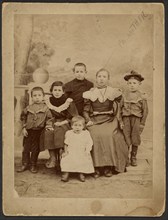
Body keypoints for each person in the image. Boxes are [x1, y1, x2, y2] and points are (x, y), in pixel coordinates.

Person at [83, 68, 128, 178]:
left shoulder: (113, 92)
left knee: (108, 135)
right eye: (99, 76)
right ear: (96, 78)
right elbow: (85, 110)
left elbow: (120, 105)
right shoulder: (90, 93)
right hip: (94, 120)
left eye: (104, 77)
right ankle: (96, 167)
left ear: (108, 79)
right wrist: (88, 120)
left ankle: (108, 166)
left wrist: (120, 94)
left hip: (109, 120)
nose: (101, 79)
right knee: (93, 135)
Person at [41, 81, 78, 169]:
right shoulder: (48, 101)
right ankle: (53, 157)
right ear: (51, 91)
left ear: (63, 91)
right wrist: (49, 124)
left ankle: (62, 156)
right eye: (55, 90)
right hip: (51, 121)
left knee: (60, 132)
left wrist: (62, 122)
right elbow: (45, 114)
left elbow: (73, 116)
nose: (57, 92)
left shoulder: (68, 101)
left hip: (65, 122)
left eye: (59, 90)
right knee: (48, 132)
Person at [17, 87, 53, 173]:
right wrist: (24, 128)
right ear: (32, 97)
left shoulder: (46, 108)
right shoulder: (28, 108)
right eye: (35, 95)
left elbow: (49, 119)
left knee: (35, 149)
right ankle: (25, 164)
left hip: (39, 132)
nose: (37, 97)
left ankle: (33, 165)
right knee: (25, 148)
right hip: (29, 131)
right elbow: (23, 117)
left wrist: (48, 126)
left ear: (43, 96)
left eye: (39, 95)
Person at [119, 70, 148, 166]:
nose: (132, 85)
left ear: (139, 84)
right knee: (126, 136)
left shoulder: (142, 96)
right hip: (126, 119)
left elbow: (145, 111)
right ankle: (126, 157)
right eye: (130, 83)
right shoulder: (124, 95)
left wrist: (142, 123)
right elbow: (119, 109)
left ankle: (133, 156)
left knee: (135, 137)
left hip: (136, 120)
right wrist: (120, 121)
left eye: (134, 83)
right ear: (127, 84)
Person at [60, 116, 94, 182]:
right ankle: (66, 173)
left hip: (82, 151)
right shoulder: (69, 133)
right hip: (71, 151)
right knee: (66, 158)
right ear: (72, 126)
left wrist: (87, 150)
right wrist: (66, 152)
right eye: (75, 125)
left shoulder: (86, 133)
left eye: (79, 125)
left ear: (83, 126)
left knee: (83, 159)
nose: (77, 127)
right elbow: (66, 144)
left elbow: (89, 143)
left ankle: (81, 173)